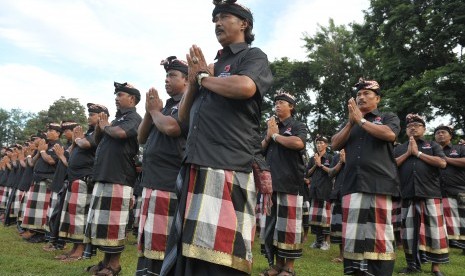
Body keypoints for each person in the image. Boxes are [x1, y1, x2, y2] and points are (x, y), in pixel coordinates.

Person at [160, 1, 273, 275]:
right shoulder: (211, 67)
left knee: (221, 254)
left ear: (244, 23)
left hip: (227, 163)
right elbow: (183, 119)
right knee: (189, 251)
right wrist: (193, 82)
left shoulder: (253, 56)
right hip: (196, 160)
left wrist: (202, 79)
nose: (218, 23)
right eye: (215, 20)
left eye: (224, 17)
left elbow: (245, 87)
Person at [331, 78, 400, 276]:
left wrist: (361, 121)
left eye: (366, 94)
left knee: (379, 235)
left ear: (377, 98)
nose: (361, 97)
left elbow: (389, 135)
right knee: (353, 236)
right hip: (352, 185)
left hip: (379, 184)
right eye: (358, 94)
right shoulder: (351, 122)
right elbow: (335, 144)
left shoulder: (388, 117)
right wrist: (351, 122)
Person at [135, 56, 189, 276]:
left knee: (163, 238)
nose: (167, 80)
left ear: (186, 81)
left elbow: (173, 129)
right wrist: (151, 111)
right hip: (152, 179)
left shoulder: (187, 103)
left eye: (172, 75)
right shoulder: (165, 106)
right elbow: (141, 137)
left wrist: (156, 112)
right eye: (166, 75)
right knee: (149, 235)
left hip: (170, 179)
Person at [83, 82, 142, 276]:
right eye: (116, 95)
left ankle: (114, 265)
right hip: (105, 175)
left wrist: (106, 125)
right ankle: (105, 261)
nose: (116, 98)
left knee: (114, 223)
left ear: (132, 99)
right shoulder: (116, 120)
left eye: (121, 94)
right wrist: (102, 127)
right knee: (103, 222)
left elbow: (120, 134)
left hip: (120, 177)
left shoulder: (134, 118)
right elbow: (100, 140)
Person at [394, 114, 448, 276]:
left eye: (418, 125)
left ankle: (435, 268)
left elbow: (442, 163)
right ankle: (412, 265)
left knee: (434, 231)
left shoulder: (432, 145)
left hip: (430, 193)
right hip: (408, 194)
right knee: (409, 232)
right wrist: (408, 153)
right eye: (410, 125)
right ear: (406, 130)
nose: (413, 127)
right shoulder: (399, 148)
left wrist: (418, 154)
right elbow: (391, 166)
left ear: (424, 129)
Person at [259, 92, 307, 276]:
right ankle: (276, 265)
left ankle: (289, 267)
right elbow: (260, 149)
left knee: (289, 227)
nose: (277, 105)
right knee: (273, 226)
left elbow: (298, 143)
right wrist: (269, 135)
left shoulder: (297, 125)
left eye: (281, 102)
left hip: (290, 182)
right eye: (276, 102)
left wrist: (276, 137)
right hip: (271, 183)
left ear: (291, 106)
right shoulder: (272, 126)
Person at [57, 103, 109, 262]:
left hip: (84, 177)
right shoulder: (87, 133)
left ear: (102, 116)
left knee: (80, 215)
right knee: (72, 215)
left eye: (93, 114)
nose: (89, 116)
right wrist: (75, 140)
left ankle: (79, 251)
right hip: (74, 176)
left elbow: (86, 144)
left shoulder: (100, 132)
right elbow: (71, 151)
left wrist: (77, 138)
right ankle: (73, 248)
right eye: (89, 114)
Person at [21, 123, 62, 243]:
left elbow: (51, 161)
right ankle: (34, 231)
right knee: (35, 208)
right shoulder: (45, 145)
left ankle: (41, 233)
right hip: (37, 179)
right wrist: (39, 152)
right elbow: (32, 163)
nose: (48, 132)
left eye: (51, 130)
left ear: (58, 133)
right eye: (48, 130)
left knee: (42, 209)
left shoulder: (57, 146)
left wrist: (43, 152)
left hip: (47, 180)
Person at [434, 125, 465, 254]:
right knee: (444, 222)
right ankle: (447, 245)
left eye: (443, 132)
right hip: (439, 191)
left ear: (450, 136)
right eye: (438, 133)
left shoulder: (460, 148)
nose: (440, 134)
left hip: (459, 190)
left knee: (463, 219)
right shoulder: (431, 150)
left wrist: (445, 159)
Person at [306, 135, 333, 251]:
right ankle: (318, 240)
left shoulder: (331, 158)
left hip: (325, 190)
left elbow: (332, 172)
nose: (319, 145)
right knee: (315, 218)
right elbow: (308, 173)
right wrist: (315, 164)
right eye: (317, 143)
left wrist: (321, 165)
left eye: (321, 143)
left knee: (325, 218)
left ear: (326, 145)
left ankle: (326, 242)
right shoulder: (313, 158)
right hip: (314, 190)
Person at [327, 149, 346, 263]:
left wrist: (347, 161)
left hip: (354, 192)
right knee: (339, 226)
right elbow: (330, 173)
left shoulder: (358, 152)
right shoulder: (336, 156)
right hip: (339, 193)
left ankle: (355, 256)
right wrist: (340, 162)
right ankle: (342, 255)